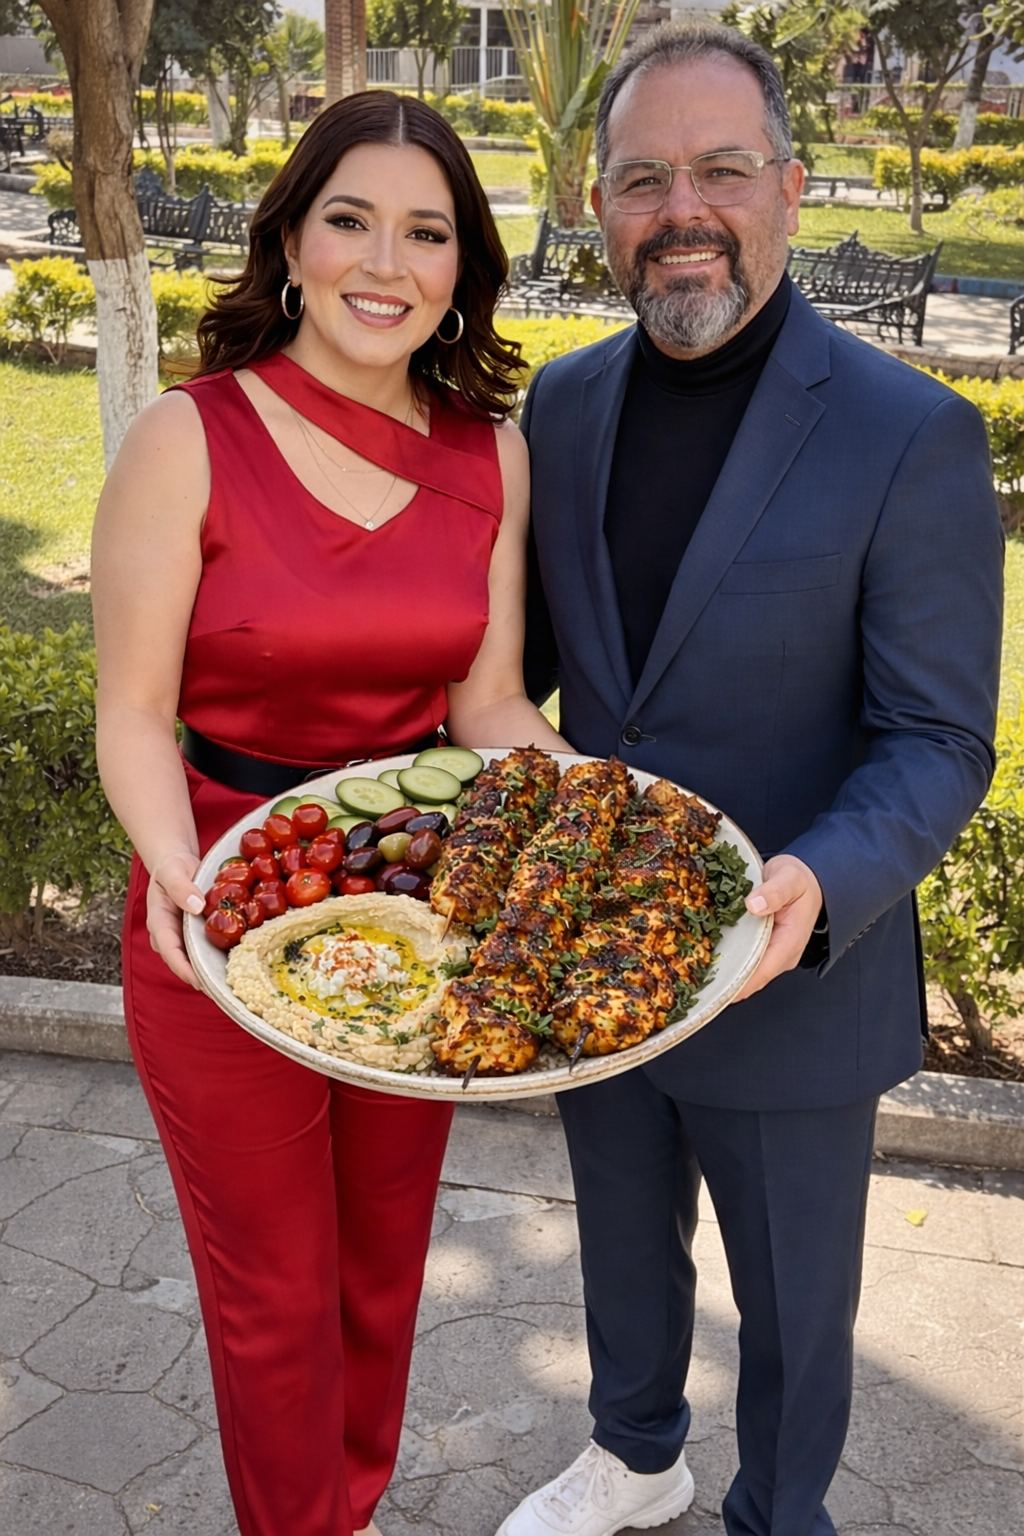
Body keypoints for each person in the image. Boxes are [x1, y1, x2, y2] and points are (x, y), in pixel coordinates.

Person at [501, 21, 1003, 1536]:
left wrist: (819, 881)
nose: (683, 211)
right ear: (598, 205)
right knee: (618, 1243)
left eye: (721, 170)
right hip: (599, 950)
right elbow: (513, 674)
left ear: (788, 185)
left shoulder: (910, 435)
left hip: (793, 969)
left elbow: (939, 737)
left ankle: (780, 1512)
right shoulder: (561, 408)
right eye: (643, 178)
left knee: (791, 1307)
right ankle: (634, 1453)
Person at [91, 91, 567, 1536]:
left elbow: (489, 704)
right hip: (222, 910)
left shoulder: (490, 453)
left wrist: (601, 802)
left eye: (428, 232)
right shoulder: (186, 435)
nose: (385, 262)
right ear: (292, 239)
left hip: (413, 921)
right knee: (275, 1294)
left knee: (377, 1266)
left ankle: (344, 1509)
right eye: (351, 219)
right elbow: (132, 713)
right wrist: (185, 884)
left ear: (462, 268)